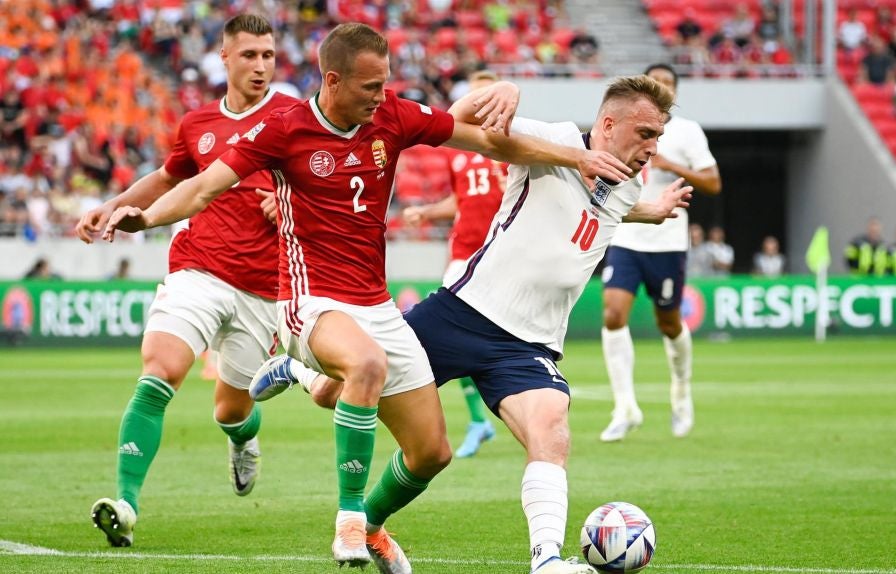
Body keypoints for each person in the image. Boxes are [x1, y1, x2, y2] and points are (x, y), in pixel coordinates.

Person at [101, 22, 630, 573]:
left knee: (431, 452)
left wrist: (577, 158)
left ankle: (374, 527)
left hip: (374, 304)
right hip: (309, 299)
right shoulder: (284, 130)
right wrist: (146, 217)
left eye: (385, 84)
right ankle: (349, 520)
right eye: (370, 87)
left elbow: (484, 138)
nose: (382, 96)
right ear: (332, 81)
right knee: (366, 364)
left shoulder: (392, 115)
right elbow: (202, 185)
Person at [250, 75, 691, 574]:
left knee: (551, 428)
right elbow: (455, 124)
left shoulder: (627, 182)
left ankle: (544, 560)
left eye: (659, 135)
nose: (654, 147)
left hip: (530, 345)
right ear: (608, 124)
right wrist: (503, 89)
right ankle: (296, 370)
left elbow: (603, 210)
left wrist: (649, 211)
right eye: (647, 133)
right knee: (337, 391)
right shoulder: (555, 143)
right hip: (465, 313)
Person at [75, 14, 298, 548]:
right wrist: (111, 205)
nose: (261, 66)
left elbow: (329, 179)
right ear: (224, 57)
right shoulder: (198, 124)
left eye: (268, 56)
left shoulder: (295, 117)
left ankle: (243, 440)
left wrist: (291, 202)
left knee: (232, 409)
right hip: (197, 266)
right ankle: (126, 504)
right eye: (249, 55)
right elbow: (169, 178)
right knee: (161, 368)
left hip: (263, 287)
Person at [598, 63, 721, 443]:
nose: (661, 88)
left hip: (666, 242)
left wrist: (671, 165)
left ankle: (681, 393)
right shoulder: (627, 126)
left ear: (675, 93)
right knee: (613, 314)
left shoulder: (686, 132)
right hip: (626, 236)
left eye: (668, 84)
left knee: (668, 323)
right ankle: (625, 407)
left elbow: (713, 183)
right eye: (656, 83)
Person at [401, 70, 506, 459]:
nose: (480, 105)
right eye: (475, 97)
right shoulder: (458, 150)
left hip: (500, 255)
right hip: (463, 253)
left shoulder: (509, 147)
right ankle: (478, 420)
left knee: (497, 336)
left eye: (486, 96)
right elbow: (462, 201)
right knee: (454, 330)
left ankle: (498, 410)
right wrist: (427, 212)